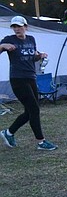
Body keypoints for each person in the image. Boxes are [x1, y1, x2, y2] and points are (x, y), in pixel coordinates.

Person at [0, 16, 58, 151]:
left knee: (29, 111)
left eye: (19, 26)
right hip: (18, 79)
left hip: (31, 77)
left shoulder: (31, 39)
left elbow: (33, 56)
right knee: (34, 109)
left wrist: (40, 55)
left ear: (26, 27)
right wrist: (3, 46)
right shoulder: (9, 39)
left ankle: (8, 133)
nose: (16, 29)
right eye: (14, 27)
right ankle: (41, 141)